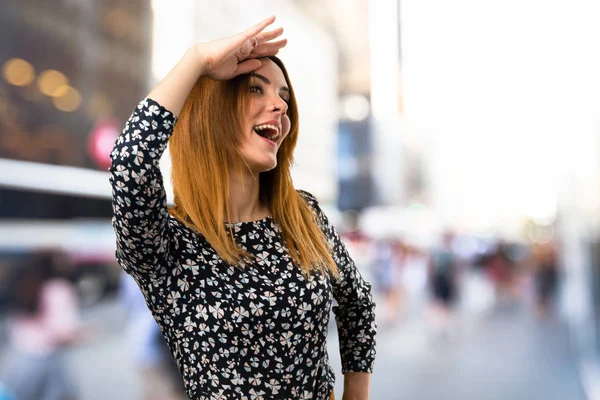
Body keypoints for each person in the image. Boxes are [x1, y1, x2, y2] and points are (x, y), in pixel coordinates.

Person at [109, 16, 376, 400]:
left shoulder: (303, 214)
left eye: (284, 96)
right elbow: (129, 160)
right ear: (212, 112)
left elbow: (356, 300)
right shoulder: (167, 244)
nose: (279, 106)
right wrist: (198, 60)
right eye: (256, 88)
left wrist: (356, 393)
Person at [1, 249, 85, 400]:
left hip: (19, 360)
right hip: (47, 361)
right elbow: (63, 331)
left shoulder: (26, 283)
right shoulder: (58, 289)